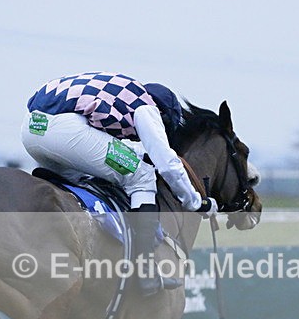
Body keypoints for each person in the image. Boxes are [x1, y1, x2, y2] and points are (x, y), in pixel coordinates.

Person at [21, 72, 216, 295]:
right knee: (142, 176)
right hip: (64, 129)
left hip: (31, 128)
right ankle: (144, 270)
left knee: (83, 180)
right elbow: (168, 165)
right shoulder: (147, 107)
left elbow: (109, 144)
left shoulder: (122, 96)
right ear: (162, 114)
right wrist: (195, 202)